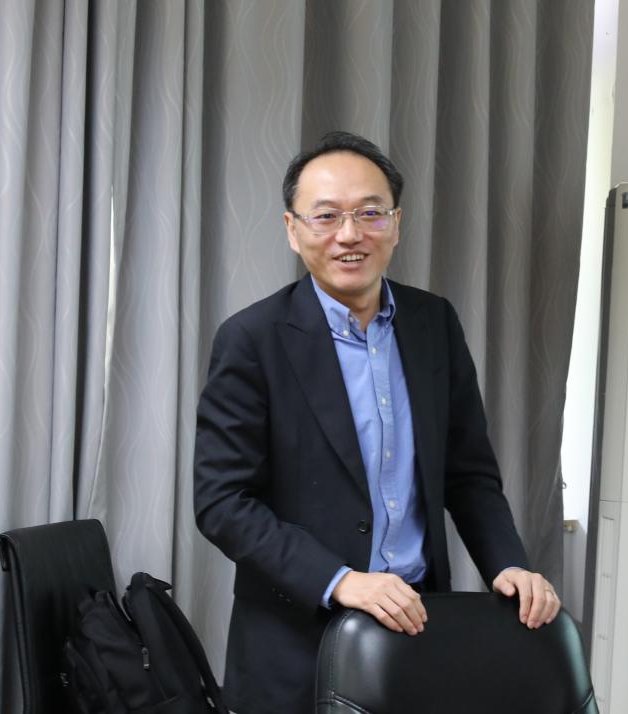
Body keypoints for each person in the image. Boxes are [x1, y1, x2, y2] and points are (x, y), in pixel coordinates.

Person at [194, 131, 560, 713]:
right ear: (292, 229)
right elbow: (221, 502)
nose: (349, 234)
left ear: (396, 224)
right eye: (326, 216)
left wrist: (509, 563)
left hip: (414, 632)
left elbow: (469, 474)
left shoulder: (434, 323)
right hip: (295, 648)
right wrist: (340, 579)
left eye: (370, 213)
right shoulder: (252, 339)